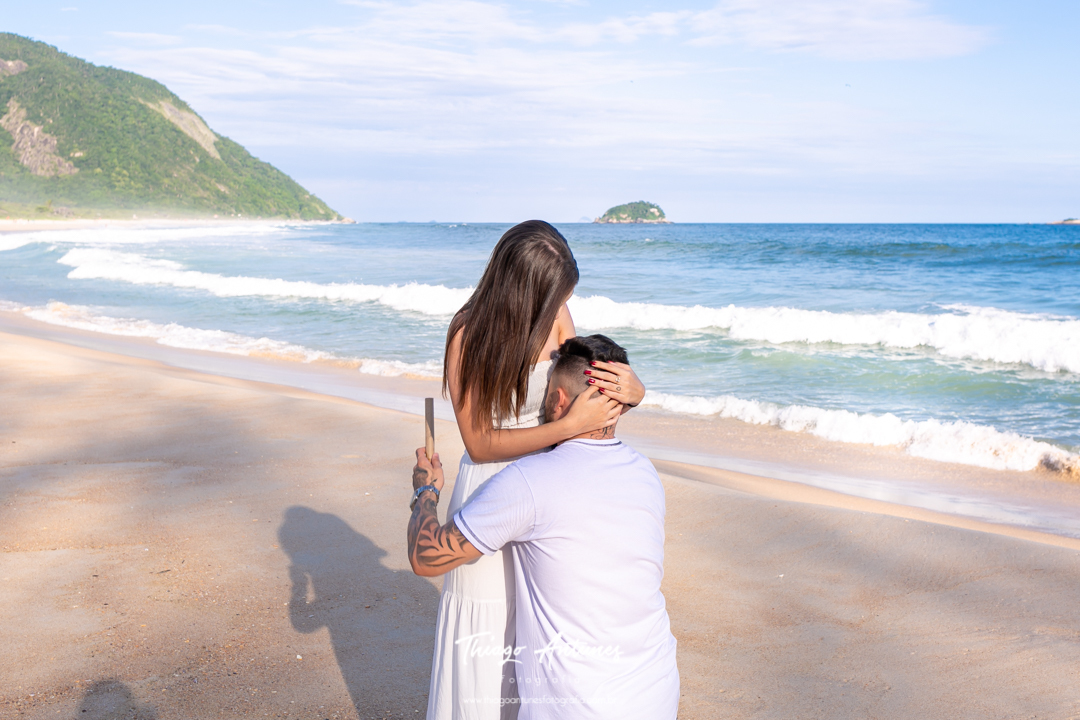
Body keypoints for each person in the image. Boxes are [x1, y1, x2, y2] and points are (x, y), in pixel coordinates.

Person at [427, 221, 646, 719]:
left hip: (553, 491)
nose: (561, 309)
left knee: (545, 633)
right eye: (554, 297)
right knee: (488, 633)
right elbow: (480, 444)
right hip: (494, 487)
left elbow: (589, 394)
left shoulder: (559, 315)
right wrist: (568, 428)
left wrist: (633, 394)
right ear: (524, 287)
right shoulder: (467, 332)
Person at [408, 334, 679, 718]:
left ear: (559, 401)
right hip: (656, 693)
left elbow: (426, 556)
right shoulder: (645, 474)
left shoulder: (529, 483)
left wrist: (425, 491)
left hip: (578, 707)